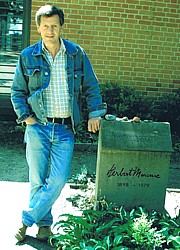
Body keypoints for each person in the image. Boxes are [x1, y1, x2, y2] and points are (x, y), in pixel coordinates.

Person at [11, 4, 106, 242]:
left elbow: (91, 87)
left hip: (65, 128)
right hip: (38, 127)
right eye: (45, 26)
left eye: (54, 26)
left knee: (59, 179)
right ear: (38, 27)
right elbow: (16, 92)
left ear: (61, 26)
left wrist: (95, 113)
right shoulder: (27, 56)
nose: (50, 31)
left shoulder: (76, 54)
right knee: (37, 179)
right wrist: (27, 117)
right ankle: (44, 227)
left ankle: (25, 220)